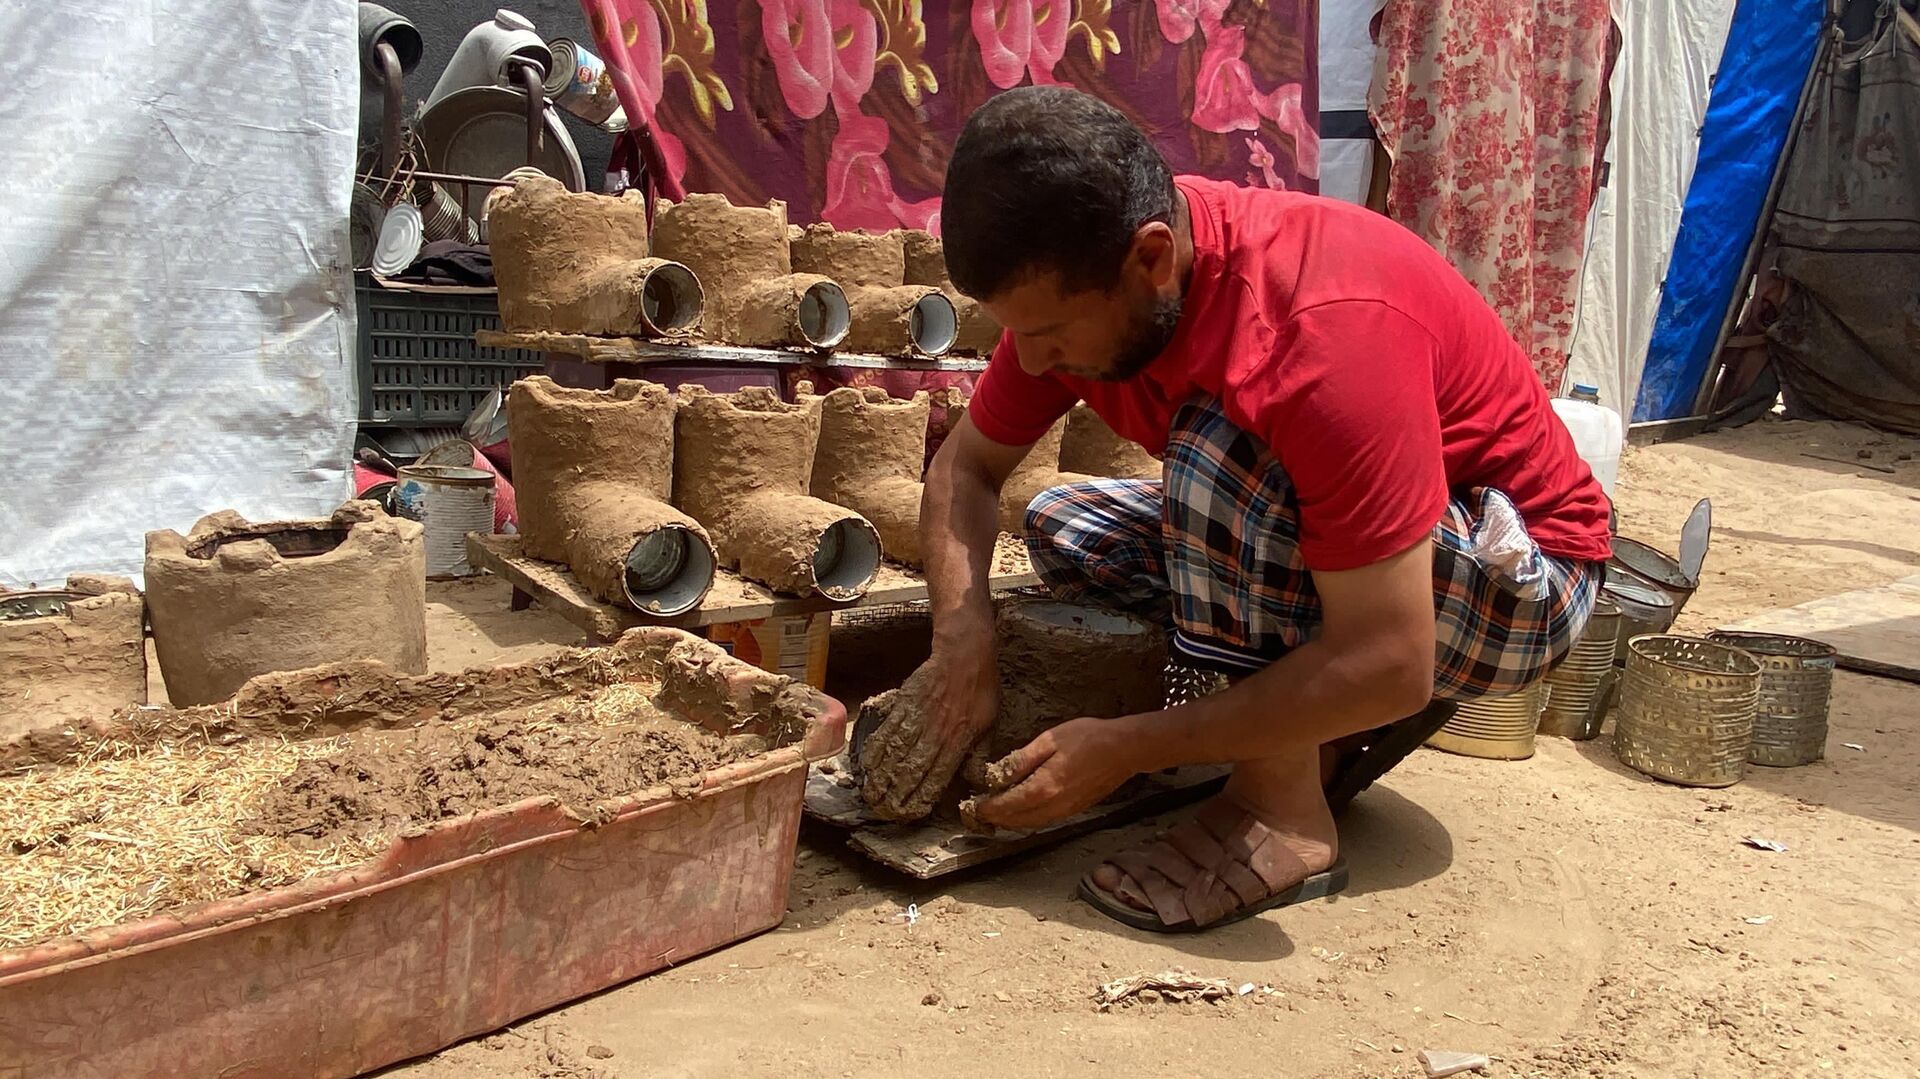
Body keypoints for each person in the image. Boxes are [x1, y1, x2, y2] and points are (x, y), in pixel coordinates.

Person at [859, 86, 1612, 933]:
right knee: (1066, 521)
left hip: (1520, 578)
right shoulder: (1096, 269)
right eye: (1016, 333)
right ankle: (1294, 716)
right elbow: (965, 469)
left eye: (1052, 332)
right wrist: (963, 646)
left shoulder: (1312, 330)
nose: (1030, 361)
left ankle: (1281, 808)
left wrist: (1132, 745)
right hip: (1367, 559)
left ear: (1151, 260)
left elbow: (1395, 658)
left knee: (1218, 456)